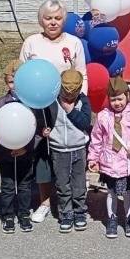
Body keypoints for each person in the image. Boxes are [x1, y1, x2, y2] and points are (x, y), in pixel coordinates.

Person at [19, 0, 88, 224]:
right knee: (43, 155)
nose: (53, 22)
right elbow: (22, 74)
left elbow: (82, 74)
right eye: (48, 18)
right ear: (41, 20)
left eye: (57, 18)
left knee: (68, 152)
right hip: (38, 105)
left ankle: (74, 202)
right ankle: (45, 202)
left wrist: (79, 102)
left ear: (64, 20)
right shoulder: (31, 43)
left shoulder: (74, 42)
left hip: (67, 104)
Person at [88, 77, 130, 238]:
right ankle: (112, 218)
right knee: (111, 192)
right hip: (110, 162)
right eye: (113, 100)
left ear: (127, 96)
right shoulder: (103, 116)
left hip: (127, 162)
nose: (117, 103)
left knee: (127, 192)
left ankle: (129, 217)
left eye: (120, 99)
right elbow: (96, 139)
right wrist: (93, 158)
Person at [0, 60, 34, 234]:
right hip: (6, 154)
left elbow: (36, 128)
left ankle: (24, 214)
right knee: (7, 186)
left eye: (18, 81)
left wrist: (27, 148)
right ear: (6, 83)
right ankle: (7, 215)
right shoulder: (1, 103)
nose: (14, 86)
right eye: (11, 82)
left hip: (26, 153)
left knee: (25, 186)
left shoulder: (32, 103)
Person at [45, 69, 92, 233]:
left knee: (79, 184)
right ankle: (66, 213)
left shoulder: (83, 101)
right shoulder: (51, 100)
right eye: (66, 93)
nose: (69, 97)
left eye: (73, 94)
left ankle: (80, 212)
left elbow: (85, 122)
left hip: (78, 148)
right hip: (58, 149)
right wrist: (46, 129)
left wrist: (70, 110)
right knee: (62, 184)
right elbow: (45, 118)